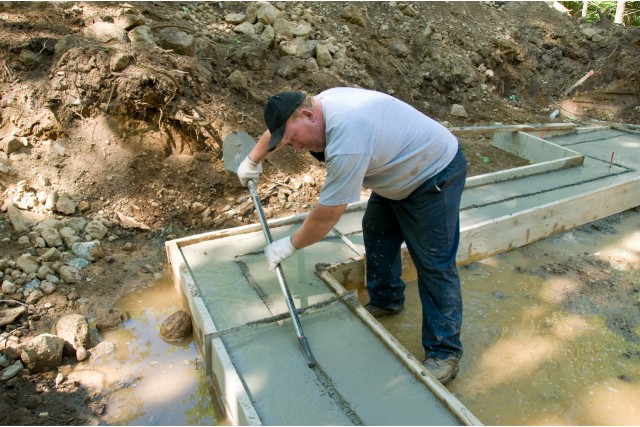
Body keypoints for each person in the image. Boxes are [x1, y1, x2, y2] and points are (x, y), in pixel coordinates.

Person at [236, 88, 467, 385]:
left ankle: (444, 352)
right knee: (377, 230)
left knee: (434, 263)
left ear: (308, 115)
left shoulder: (348, 140)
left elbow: (327, 215)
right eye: (289, 142)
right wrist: (252, 159)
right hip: (397, 172)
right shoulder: (316, 108)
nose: (295, 147)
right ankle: (387, 299)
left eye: (294, 139)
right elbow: (281, 130)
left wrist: (289, 244)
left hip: (433, 174)